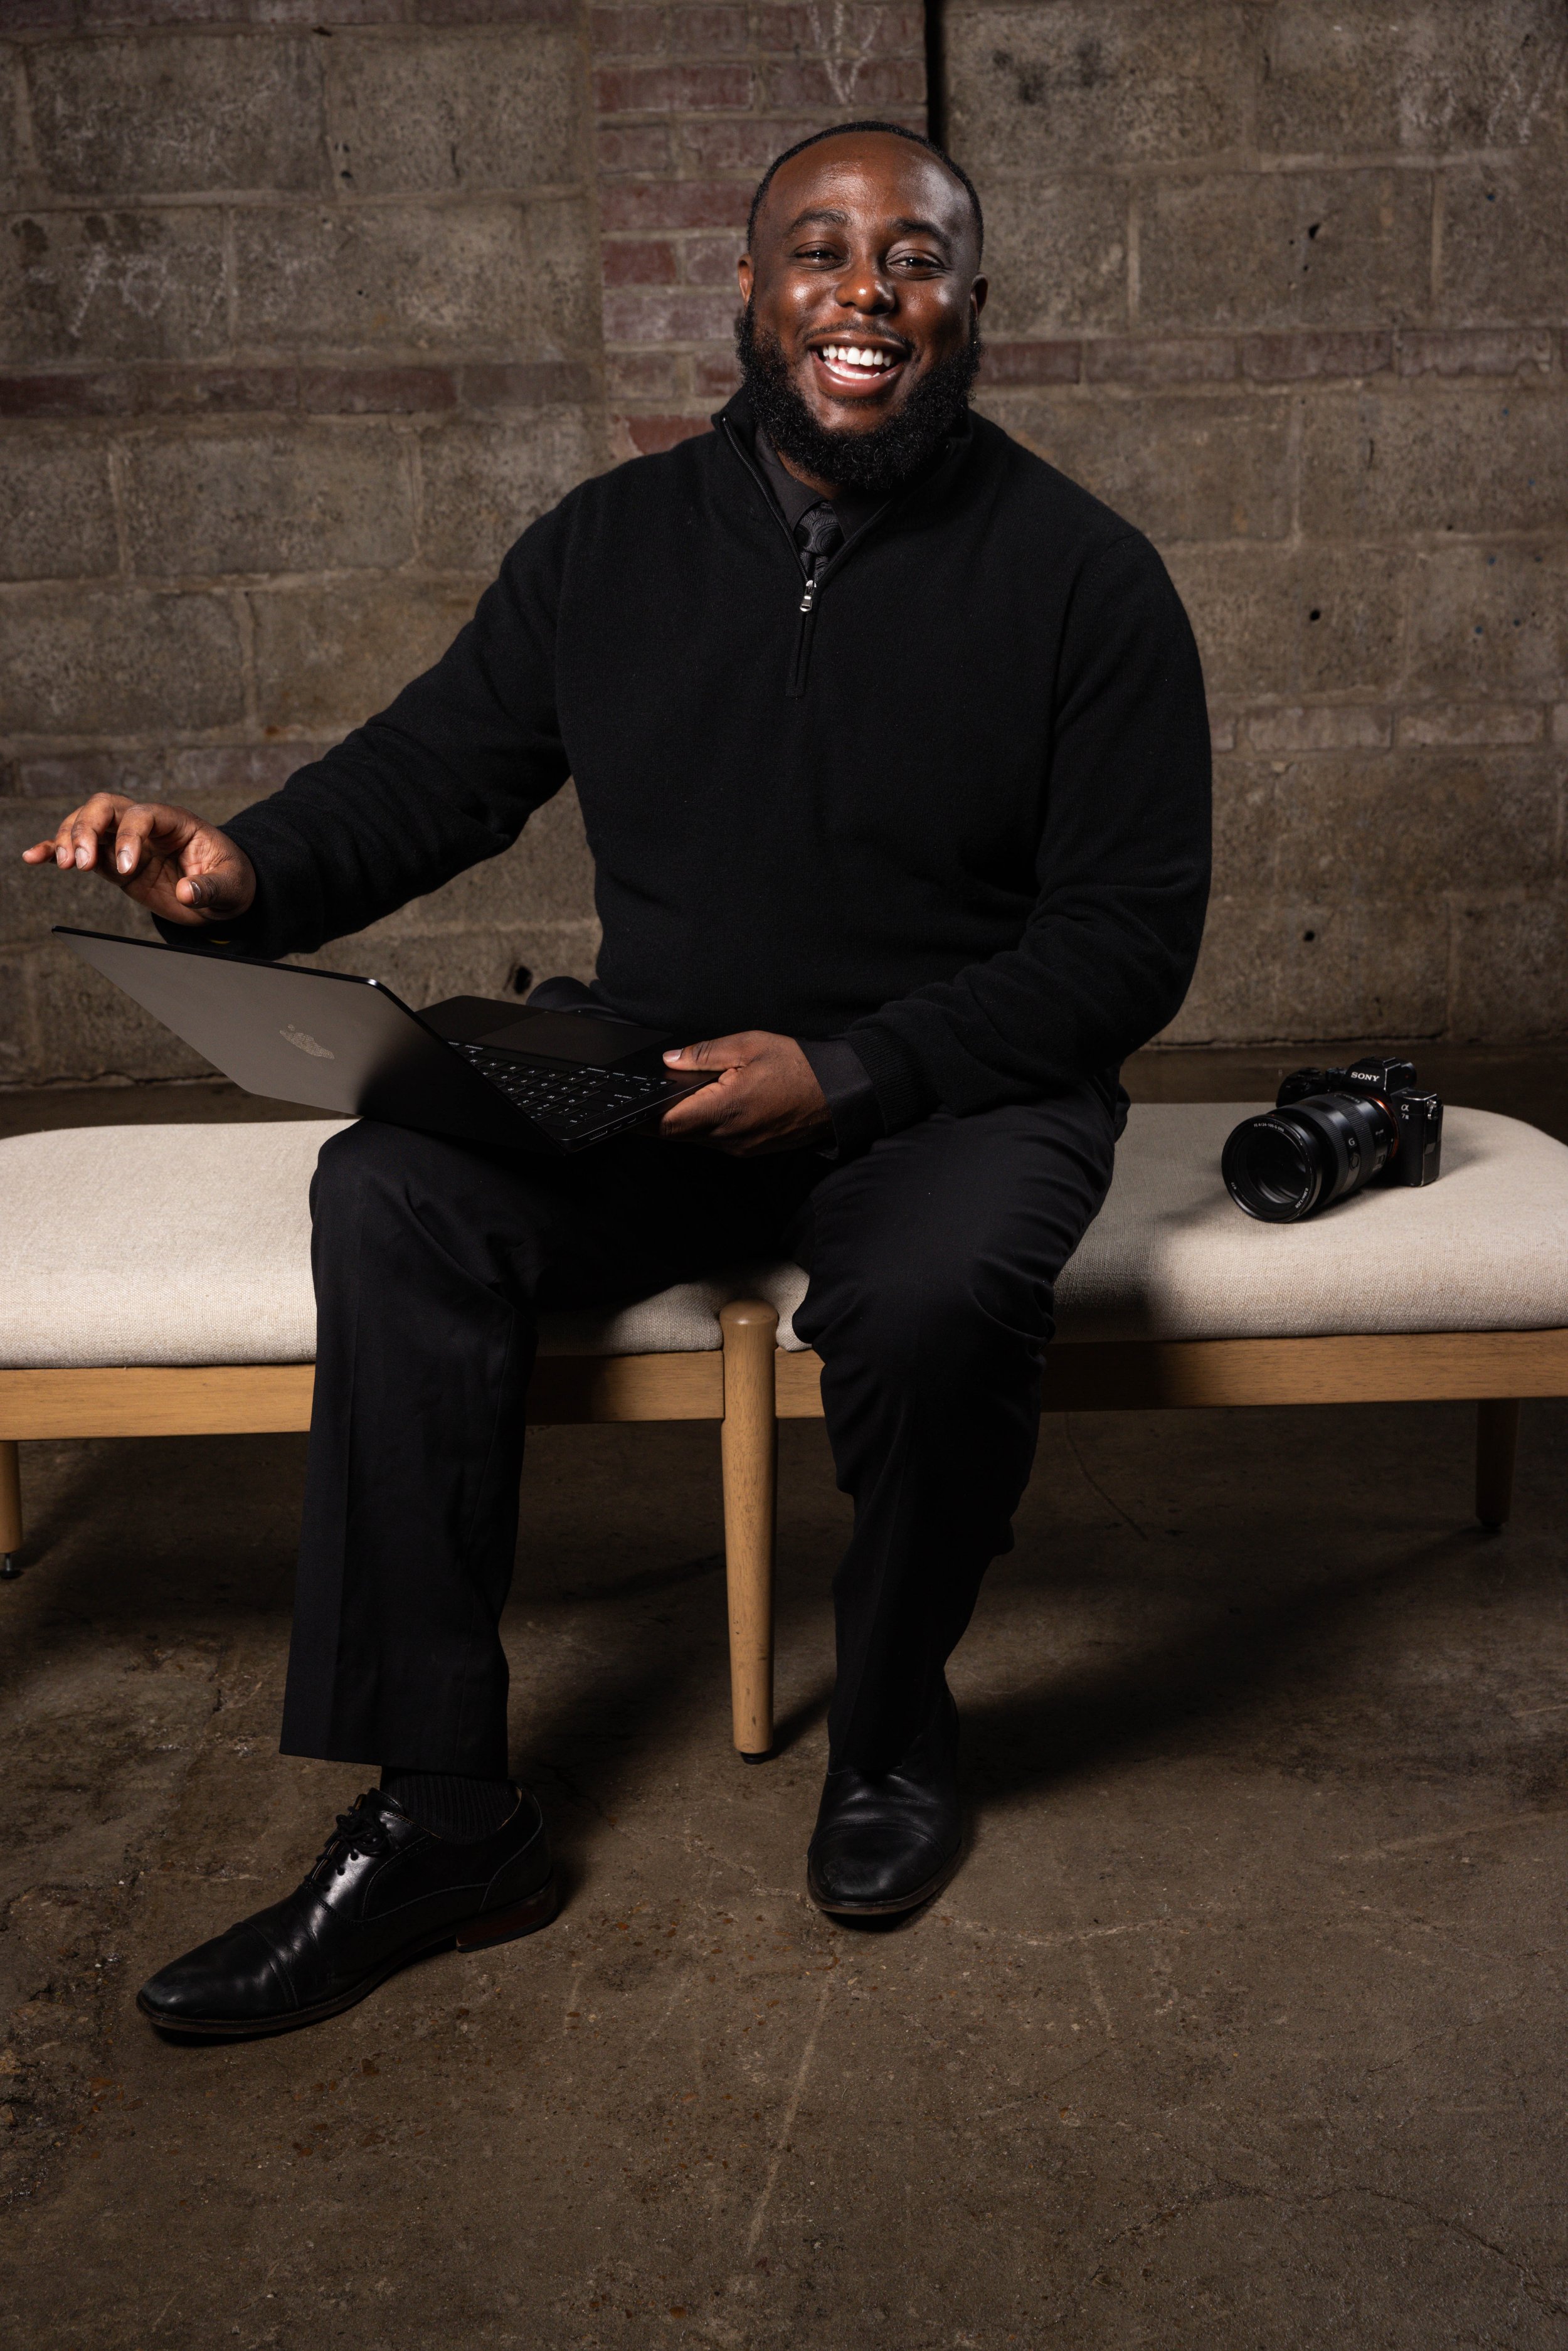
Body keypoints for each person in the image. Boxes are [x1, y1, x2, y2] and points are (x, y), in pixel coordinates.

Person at [25, 119, 1211, 2038]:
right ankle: (440, 1809)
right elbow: (431, 774)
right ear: (746, 297)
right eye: (817, 252)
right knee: (387, 1184)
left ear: (969, 310)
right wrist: (237, 870)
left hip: (954, 1091)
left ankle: (896, 1733)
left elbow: (1128, 937)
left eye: (911, 260)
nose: (863, 290)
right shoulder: (607, 545)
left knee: (926, 1298)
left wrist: (854, 1065)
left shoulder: (1086, 579)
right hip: (651, 1077)